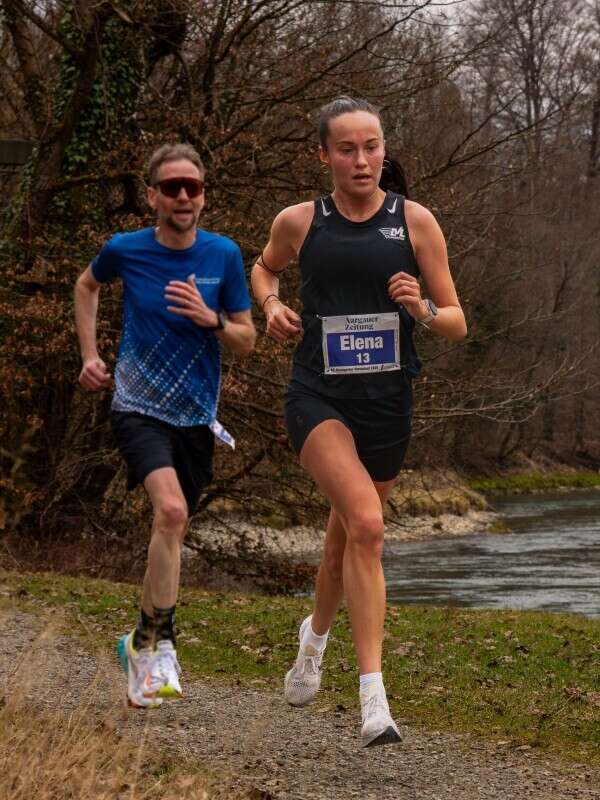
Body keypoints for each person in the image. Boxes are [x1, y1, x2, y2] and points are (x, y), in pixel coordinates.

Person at [251, 96, 466, 747]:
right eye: (346, 148)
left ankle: (312, 641)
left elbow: (457, 321)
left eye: (371, 145)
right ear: (324, 156)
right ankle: (375, 700)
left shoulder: (416, 223)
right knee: (369, 526)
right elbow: (262, 267)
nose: (362, 159)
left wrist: (422, 307)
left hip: (388, 405)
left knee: (345, 541)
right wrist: (270, 304)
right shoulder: (300, 222)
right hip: (318, 400)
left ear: (383, 150)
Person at [75, 143, 256, 709]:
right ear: (152, 194)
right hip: (136, 405)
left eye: (193, 188)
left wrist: (213, 320)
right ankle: (162, 646)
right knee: (171, 511)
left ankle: (138, 640)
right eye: (172, 187)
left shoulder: (223, 255)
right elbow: (86, 286)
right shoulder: (125, 250)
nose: (183, 196)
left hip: (196, 418)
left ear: (203, 197)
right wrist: (89, 354)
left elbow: (247, 340)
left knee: (172, 529)